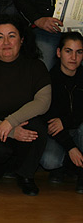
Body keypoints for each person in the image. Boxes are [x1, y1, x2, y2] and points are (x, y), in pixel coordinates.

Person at [0, 15, 51, 196]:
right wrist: (8, 130)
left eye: (12, 36)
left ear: (22, 39)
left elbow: (43, 102)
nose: (6, 42)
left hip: (22, 123)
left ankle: (26, 175)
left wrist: (11, 122)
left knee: (38, 129)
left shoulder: (35, 66)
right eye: (0, 37)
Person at [40, 32, 83, 193]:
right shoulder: (49, 80)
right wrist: (71, 147)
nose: (73, 57)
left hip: (79, 130)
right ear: (59, 53)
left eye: (79, 52)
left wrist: (65, 121)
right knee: (49, 161)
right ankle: (67, 166)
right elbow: (50, 121)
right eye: (68, 51)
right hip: (58, 134)